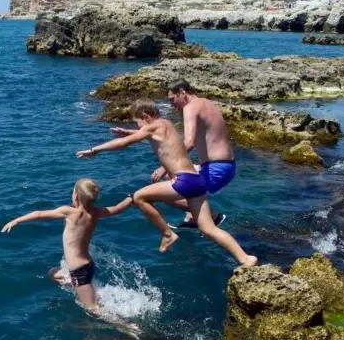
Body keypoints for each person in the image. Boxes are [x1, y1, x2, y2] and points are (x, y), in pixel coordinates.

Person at [76, 99, 257, 267]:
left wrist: (95, 150)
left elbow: (124, 143)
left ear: (146, 117)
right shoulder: (167, 124)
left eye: (138, 123)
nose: (138, 127)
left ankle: (167, 234)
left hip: (183, 181)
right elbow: (150, 135)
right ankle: (246, 258)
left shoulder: (153, 127)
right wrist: (133, 132)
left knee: (139, 197)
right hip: (197, 180)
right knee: (208, 228)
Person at [1, 178, 139, 335]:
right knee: (53, 273)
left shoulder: (69, 212)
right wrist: (131, 197)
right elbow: (117, 208)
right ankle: (80, 288)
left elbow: (40, 214)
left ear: (76, 196)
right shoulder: (96, 212)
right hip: (86, 266)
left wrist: (17, 220)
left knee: (92, 309)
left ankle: (128, 327)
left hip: (79, 271)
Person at [151, 80, 235, 229]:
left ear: (182, 93)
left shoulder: (190, 108)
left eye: (172, 100)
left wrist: (163, 166)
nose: (172, 105)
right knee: (175, 174)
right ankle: (192, 217)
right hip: (226, 165)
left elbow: (189, 142)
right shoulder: (208, 104)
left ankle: (212, 216)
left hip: (215, 169)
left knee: (166, 194)